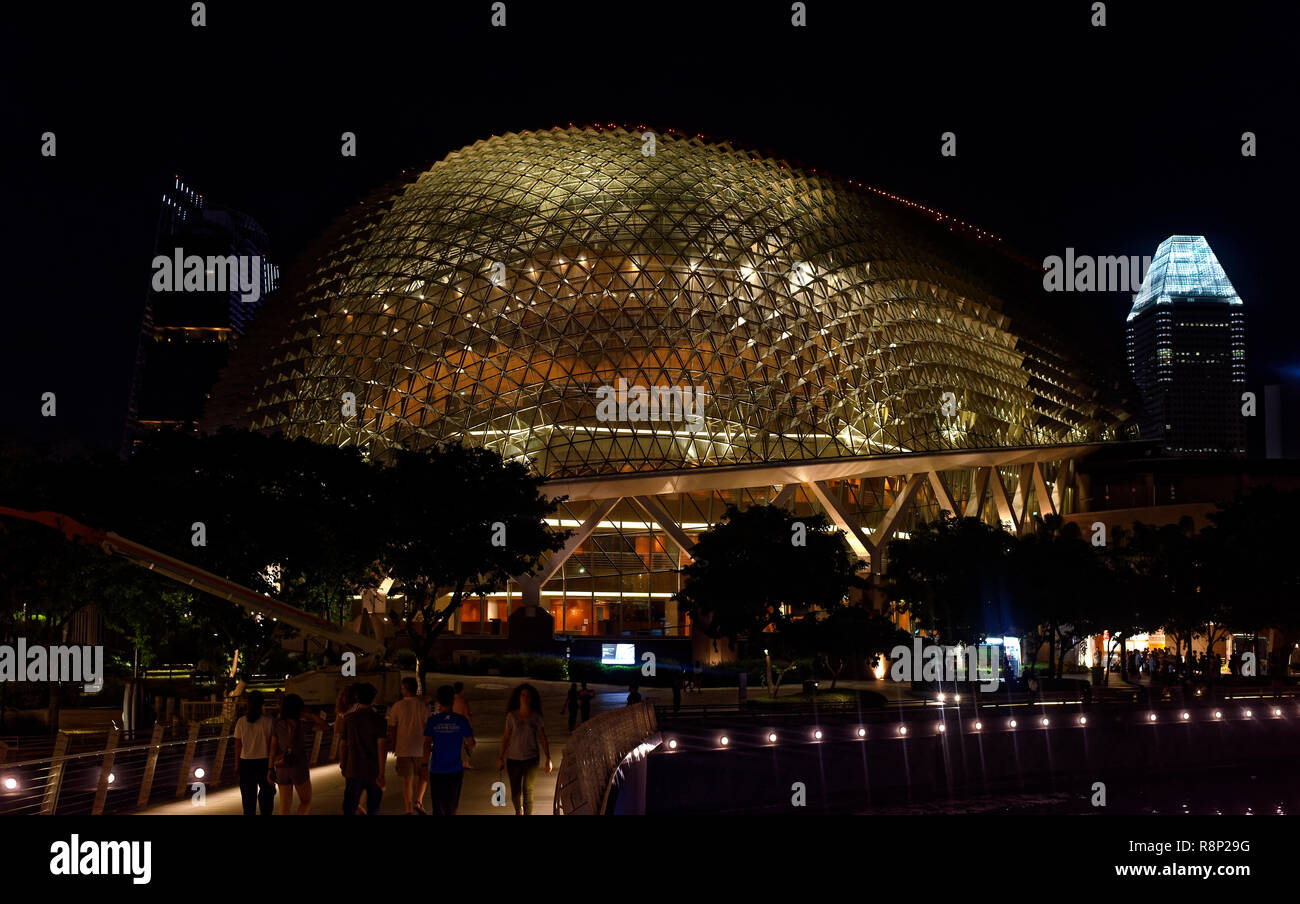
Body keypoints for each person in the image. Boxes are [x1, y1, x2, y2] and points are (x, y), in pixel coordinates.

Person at [268, 693, 329, 815]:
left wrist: (270, 768)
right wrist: (310, 715)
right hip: (298, 766)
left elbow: (273, 748)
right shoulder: (302, 725)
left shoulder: (277, 724)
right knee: (306, 801)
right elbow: (325, 726)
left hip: (281, 766)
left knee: (284, 805)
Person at [498, 683, 551, 815]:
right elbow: (505, 737)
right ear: (519, 697)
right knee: (515, 792)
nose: (525, 698)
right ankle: (518, 811)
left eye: (527, 696)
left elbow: (543, 738)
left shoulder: (536, 717)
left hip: (531, 758)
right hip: (513, 759)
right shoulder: (511, 716)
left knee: (528, 789)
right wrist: (500, 757)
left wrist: (548, 758)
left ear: (531, 698)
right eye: (522, 695)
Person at [424, 684, 475, 815]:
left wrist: (424, 765)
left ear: (439, 701)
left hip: (436, 769)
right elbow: (471, 743)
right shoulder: (461, 721)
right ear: (453, 700)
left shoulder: (432, 721)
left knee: (437, 806)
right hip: (455, 769)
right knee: (451, 806)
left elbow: (426, 744)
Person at [339, 682, 387, 816]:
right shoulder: (380, 720)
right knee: (373, 808)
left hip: (353, 770)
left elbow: (343, 745)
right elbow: (381, 747)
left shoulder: (348, 719)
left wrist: (343, 765)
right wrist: (382, 773)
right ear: (373, 698)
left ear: (356, 696)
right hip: (373, 770)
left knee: (349, 808)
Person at [387, 678, 430, 814]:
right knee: (423, 776)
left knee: (407, 780)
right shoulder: (422, 706)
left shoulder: (397, 706)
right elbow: (427, 726)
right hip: (420, 747)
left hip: (403, 747)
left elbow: (392, 728)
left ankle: (408, 809)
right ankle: (419, 801)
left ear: (405, 689)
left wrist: (393, 744)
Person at [233, 690, 275, 816]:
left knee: (248, 799)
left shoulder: (241, 721)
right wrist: (272, 766)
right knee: (267, 796)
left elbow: (238, 746)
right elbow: (272, 745)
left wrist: (236, 765)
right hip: (265, 762)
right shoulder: (269, 721)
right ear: (262, 703)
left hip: (246, 763)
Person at [453, 681, 474, 768]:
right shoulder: (463, 701)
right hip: (462, 725)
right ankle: (465, 762)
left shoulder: (452, 700)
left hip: (453, 724)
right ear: (461, 690)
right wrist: (470, 726)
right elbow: (466, 714)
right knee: (467, 745)